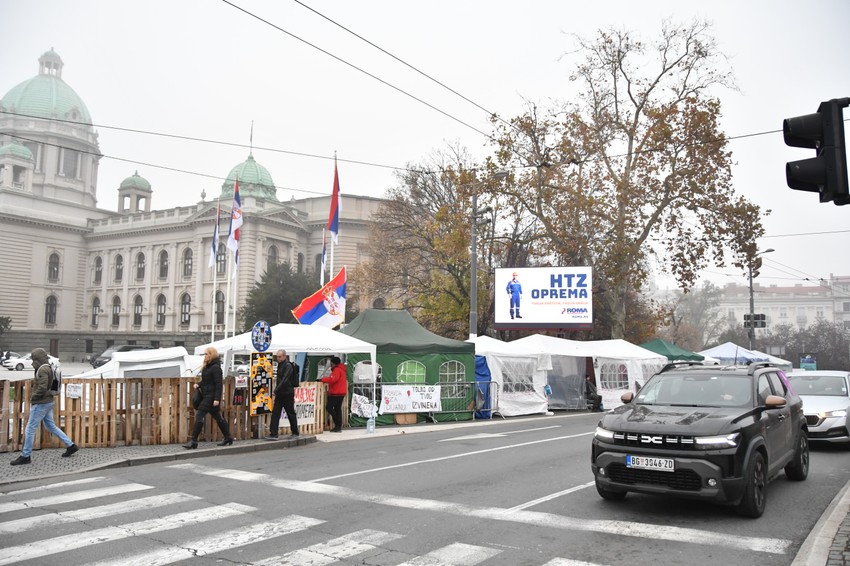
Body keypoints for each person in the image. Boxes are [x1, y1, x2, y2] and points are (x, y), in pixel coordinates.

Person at [11, 348, 79, 465]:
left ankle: (25, 456)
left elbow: (42, 387)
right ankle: (71, 445)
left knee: (30, 429)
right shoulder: (49, 367)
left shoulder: (42, 370)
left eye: (33, 359)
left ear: (38, 359)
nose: (32, 362)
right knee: (51, 426)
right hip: (48, 402)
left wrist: (34, 398)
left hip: (41, 403)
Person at [184, 347, 233, 449]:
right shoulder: (207, 367)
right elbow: (206, 381)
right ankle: (228, 437)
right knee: (218, 417)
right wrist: (199, 384)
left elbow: (218, 384)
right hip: (206, 395)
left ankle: (193, 441)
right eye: (204, 354)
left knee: (199, 416)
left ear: (212, 355)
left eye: (206, 354)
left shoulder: (215, 368)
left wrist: (217, 399)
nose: (204, 356)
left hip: (211, 397)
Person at [265, 349, 299, 440]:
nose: (278, 358)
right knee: (275, 413)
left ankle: (295, 432)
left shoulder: (288, 366)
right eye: (277, 356)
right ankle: (273, 433)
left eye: (280, 356)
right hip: (281, 393)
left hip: (287, 392)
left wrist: (276, 390)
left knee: (290, 413)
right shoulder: (281, 365)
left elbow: (285, 379)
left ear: (284, 356)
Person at [320, 356, 347, 433]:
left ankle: (338, 424)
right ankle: (338, 426)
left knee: (329, 408)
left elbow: (333, 379)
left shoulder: (337, 370)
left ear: (333, 363)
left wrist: (322, 379)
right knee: (338, 409)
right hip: (341, 392)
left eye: (331, 363)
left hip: (335, 392)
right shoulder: (342, 369)